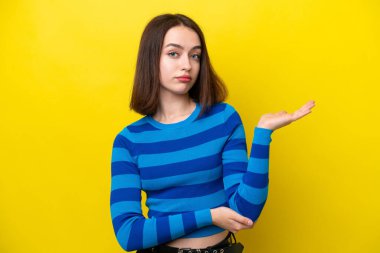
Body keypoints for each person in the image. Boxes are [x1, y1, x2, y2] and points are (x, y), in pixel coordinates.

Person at [110, 13, 315, 253]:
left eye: (195, 55)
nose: (187, 64)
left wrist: (263, 135)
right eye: (174, 53)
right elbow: (128, 234)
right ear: (150, 59)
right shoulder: (129, 141)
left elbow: (244, 212)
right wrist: (208, 216)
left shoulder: (224, 119)